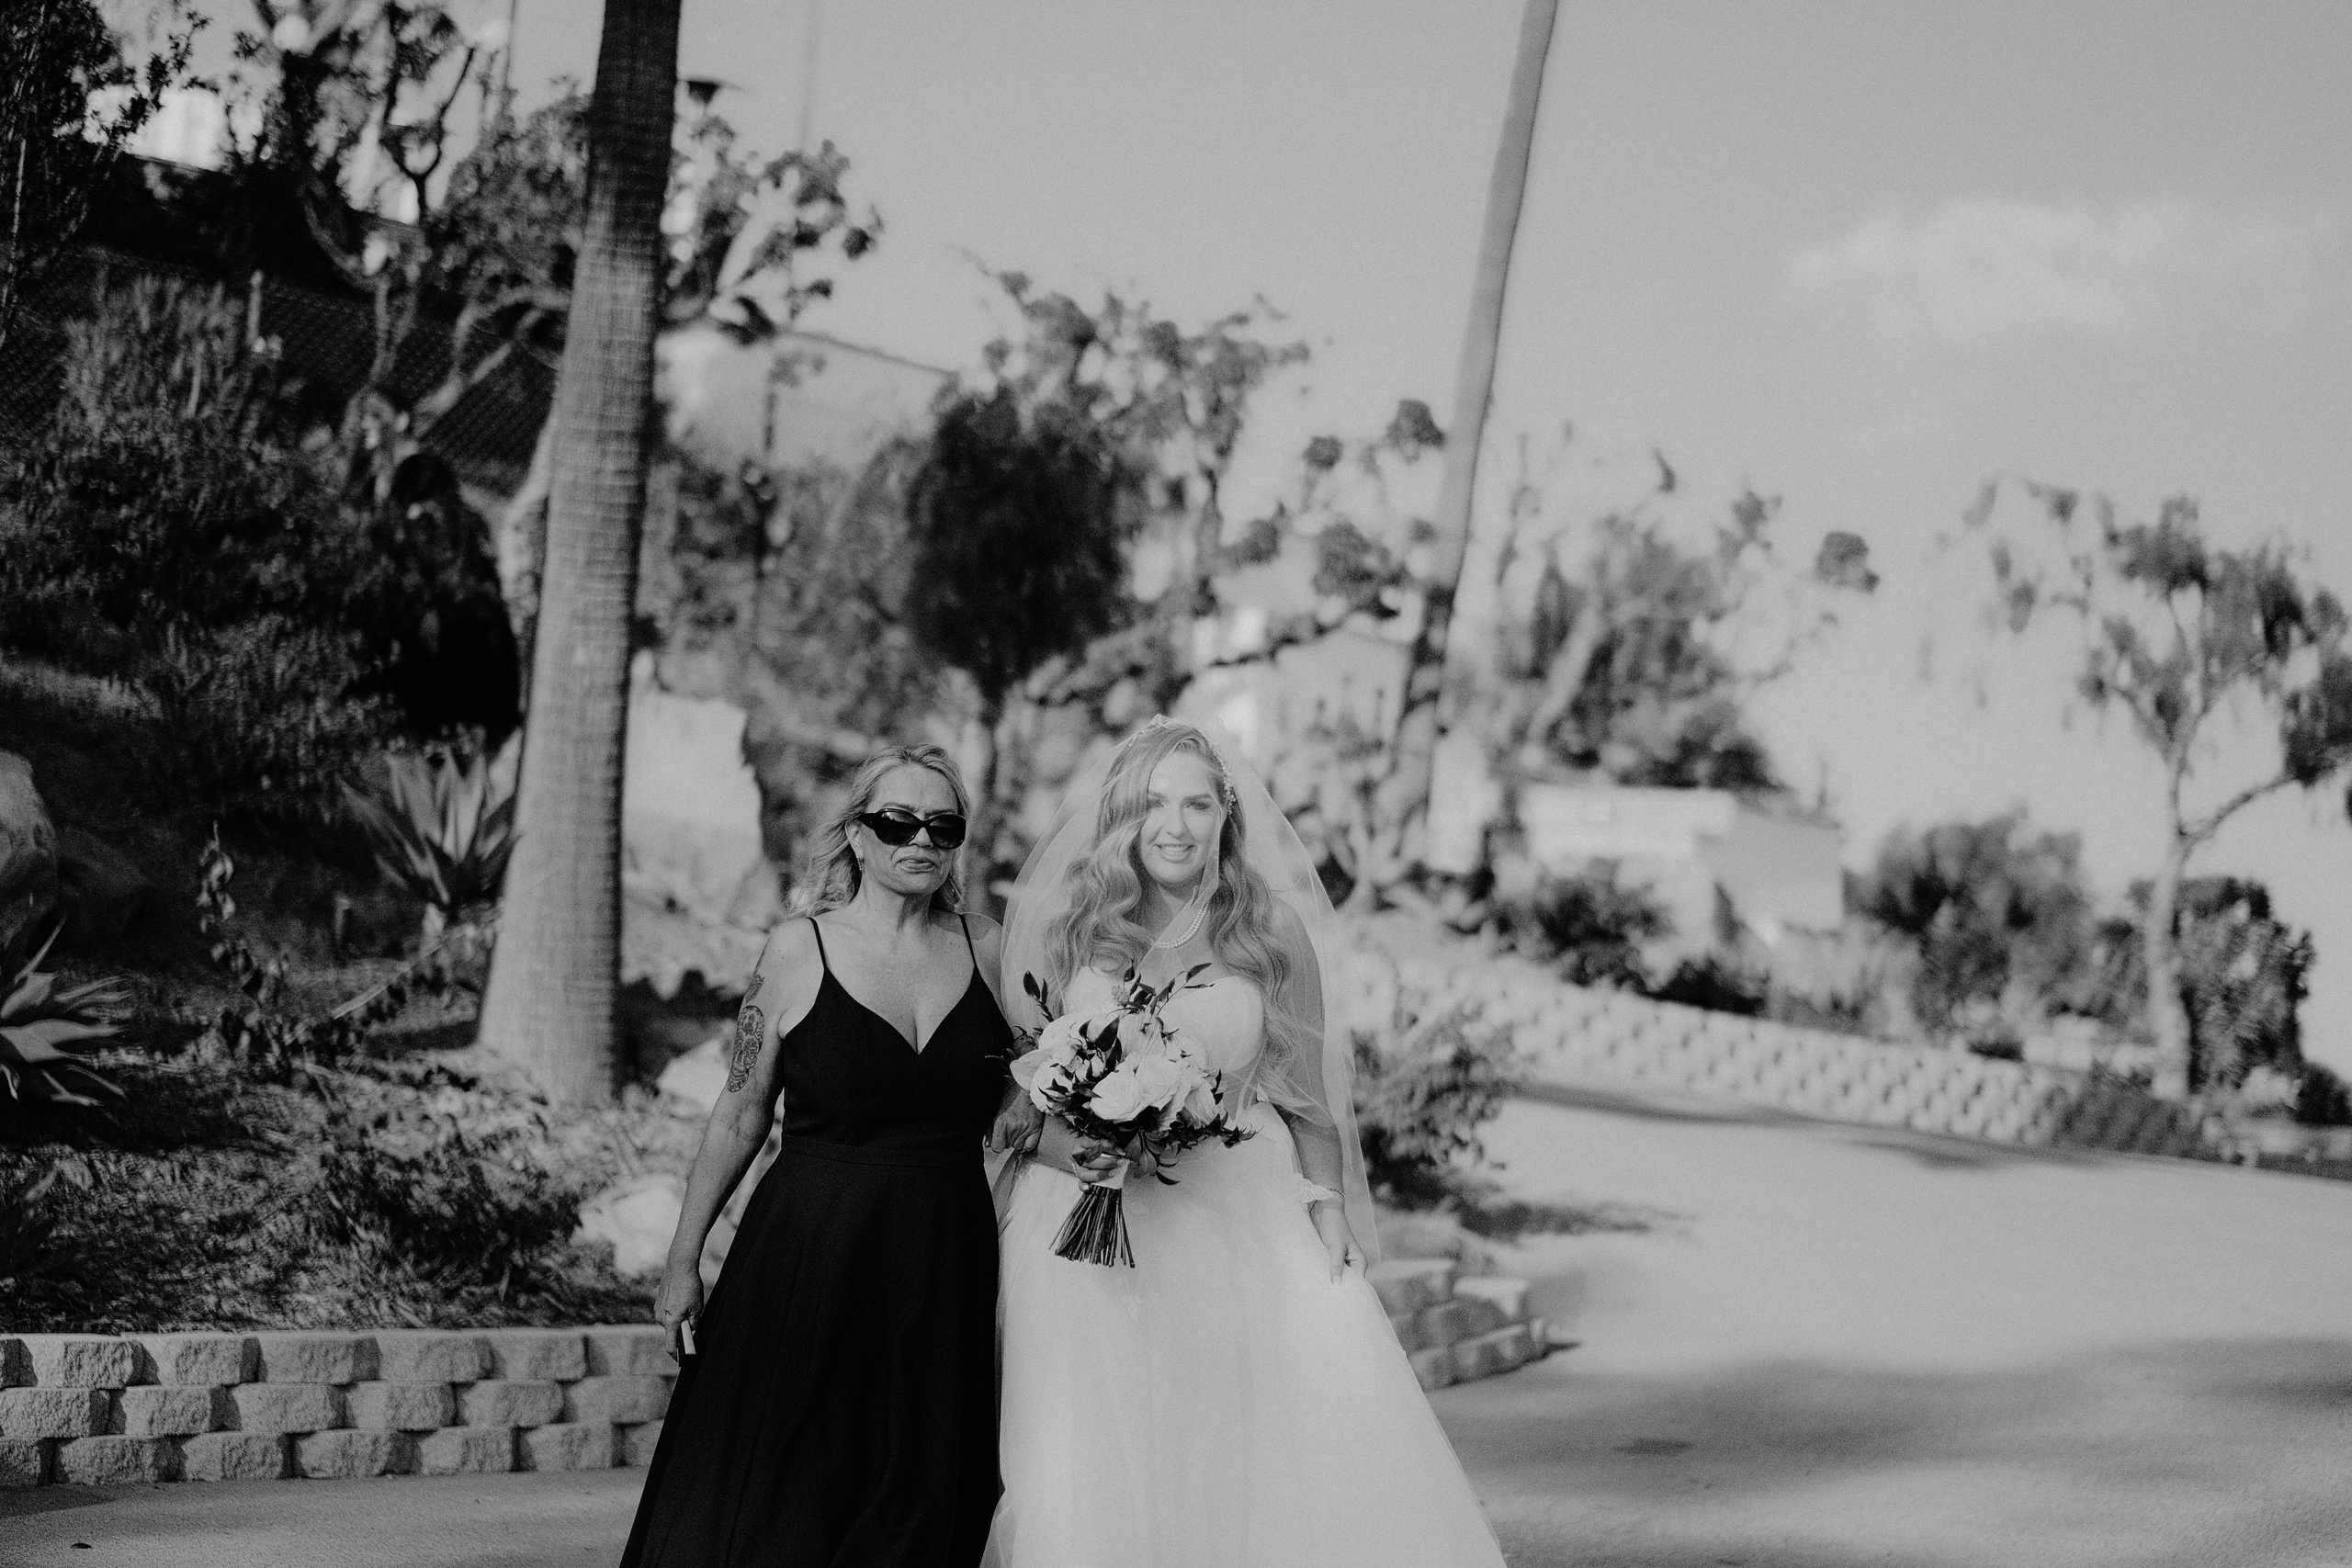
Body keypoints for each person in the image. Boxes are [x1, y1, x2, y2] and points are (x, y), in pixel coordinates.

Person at [983, 717, 1510, 1568]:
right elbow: (1016, 1097)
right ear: (1123, 811)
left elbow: (1307, 1099)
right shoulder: (1073, 924)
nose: (1176, 824)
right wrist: (1067, 1146)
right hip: (1080, 1222)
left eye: (1198, 803)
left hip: (1227, 1214)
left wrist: (1329, 1207)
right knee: (1089, 1456)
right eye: (1155, 802)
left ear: (1229, 813)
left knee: (1230, 1451)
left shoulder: (1266, 931)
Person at [622, 744, 1013, 1568]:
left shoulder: (991, 949)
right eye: (897, 821)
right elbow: (737, 1112)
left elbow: (1022, 1108)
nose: (920, 841)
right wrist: (683, 1259)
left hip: (946, 1263)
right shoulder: (799, 949)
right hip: (813, 1254)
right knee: (790, 1494)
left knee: (926, 1496)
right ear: (858, 835)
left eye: (943, 827)